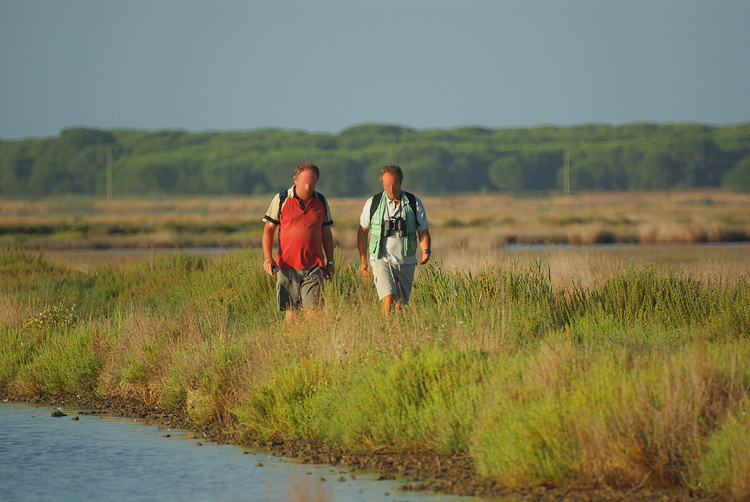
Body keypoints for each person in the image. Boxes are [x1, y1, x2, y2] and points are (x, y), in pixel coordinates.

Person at [262, 162, 335, 324]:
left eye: (312, 183)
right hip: (287, 265)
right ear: (295, 179)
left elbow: (326, 233)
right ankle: (292, 345)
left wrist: (330, 262)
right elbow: (268, 230)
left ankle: (315, 345)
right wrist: (268, 259)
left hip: (314, 266)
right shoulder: (281, 199)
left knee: (314, 311)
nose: (308, 186)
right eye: (305, 182)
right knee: (292, 311)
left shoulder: (321, 201)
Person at [357, 165, 431, 314]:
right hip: (381, 259)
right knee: (388, 296)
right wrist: (364, 259)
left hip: (406, 260)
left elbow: (423, 231)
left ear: (400, 183)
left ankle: (396, 331)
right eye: (386, 185)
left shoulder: (413, 202)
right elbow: (362, 231)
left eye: (394, 184)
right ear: (382, 183)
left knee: (401, 304)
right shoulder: (373, 203)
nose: (391, 189)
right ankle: (385, 331)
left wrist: (426, 250)